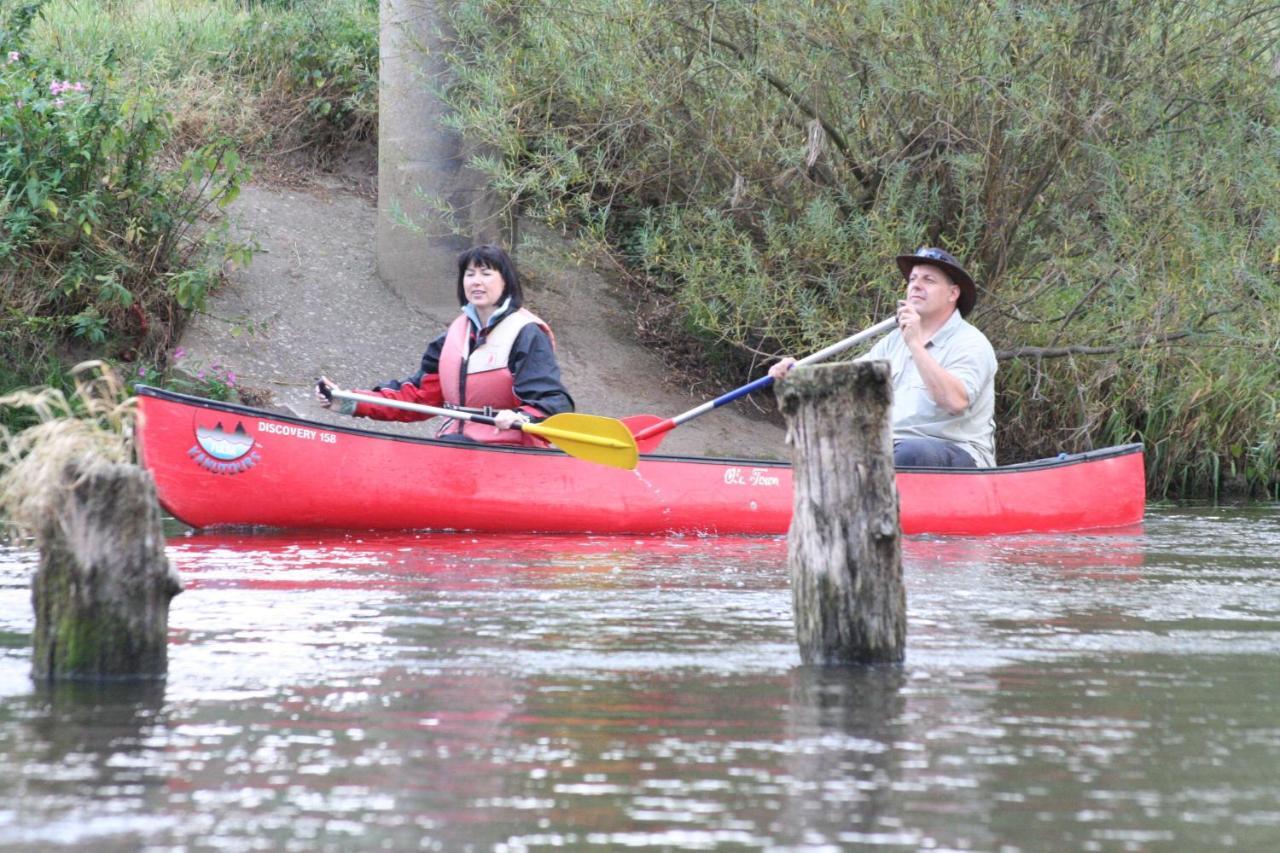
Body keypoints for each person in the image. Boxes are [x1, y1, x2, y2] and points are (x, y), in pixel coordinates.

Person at [317, 244, 574, 446]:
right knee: (451, 443)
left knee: (456, 444)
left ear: (505, 281)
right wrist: (346, 401)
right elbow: (417, 397)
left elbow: (553, 403)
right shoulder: (454, 336)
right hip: (454, 446)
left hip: (508, 448)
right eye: (469, 274)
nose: (476, 281)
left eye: (486, 274)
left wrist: (523, 417)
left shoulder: (526, 334)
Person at [768, 246, 996, 467]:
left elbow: (955, 402)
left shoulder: (971, 343)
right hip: (892, 447)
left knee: (910, 453)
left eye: (929, 280)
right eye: (913, 279)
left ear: (953, 293)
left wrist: (915, 345)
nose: (916, 285)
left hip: (956, 453)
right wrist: (796, 375)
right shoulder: (894, 341)